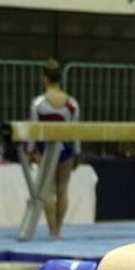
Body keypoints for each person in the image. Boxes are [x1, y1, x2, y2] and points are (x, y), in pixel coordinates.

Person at [29, 59, 81, 239]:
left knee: (49, 190)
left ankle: (52, 230)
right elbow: (76, 131)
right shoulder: (72, 103)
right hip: (66, 147)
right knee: (63, 189)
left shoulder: (38, 103)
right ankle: (58, 230)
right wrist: (77, 152)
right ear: (60, 78)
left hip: (46, 148)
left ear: (44, 79)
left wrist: (31, 150)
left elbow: (33, 130)